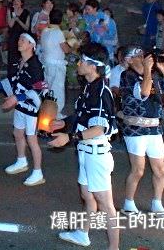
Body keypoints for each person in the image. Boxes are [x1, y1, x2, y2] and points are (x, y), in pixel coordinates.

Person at [48, 45, 120, 250]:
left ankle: (114, 248)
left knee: (106, 205)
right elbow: (82, 116)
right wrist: (64, 123)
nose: (78, 64)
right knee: (88, 196)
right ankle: (83, 234)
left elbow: (98, 127)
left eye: (81, 60)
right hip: (86, 152)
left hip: (96, 153)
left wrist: (69, 136)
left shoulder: (100, 91)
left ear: (92, 65)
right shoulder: (89, 85)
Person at [119, 44, 164, 216]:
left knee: (160, 169)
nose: (141, 56)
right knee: (138, 169)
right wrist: (147, 70)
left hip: (154, 127)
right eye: (136, 54)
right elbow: (144, 92)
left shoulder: (155, 74)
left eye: (142, 53)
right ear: (128, 60)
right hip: (135, 128)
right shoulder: (127, 76)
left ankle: (157, 203)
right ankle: (128, 203)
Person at [0, 33, 46, 187]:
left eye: (23, 40)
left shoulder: (35, 65)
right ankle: (21, 161)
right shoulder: (20, 62)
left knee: (32, 139)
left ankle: (38, 172)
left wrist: (16, 98)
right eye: (19, 39)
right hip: (20, 104)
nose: (19, 41)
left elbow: (39, 89)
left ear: (31, 45)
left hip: (30, 107)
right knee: (17, 133)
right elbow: (13, 80)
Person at [40, 9, 71, 118]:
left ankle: (46, 110)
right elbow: (66, 49)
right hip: (56, 65)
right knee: (57, 90)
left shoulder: (45, 31)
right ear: (61, 20)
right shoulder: (58, 32)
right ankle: (56, 113)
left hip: (46, 63)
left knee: (47, 89)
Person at [6, 0, 31, 77]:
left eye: (18, 1)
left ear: (21, 3)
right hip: (13, 38)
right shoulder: (10, 11)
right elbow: (10, 25)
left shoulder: (26, 12)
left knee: (22, 58)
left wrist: (18, 20)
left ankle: (21, 75)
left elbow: (26, 28)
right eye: (14, 1)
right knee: (12, 58)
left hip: (23, 39)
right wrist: (14, 15)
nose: (16, 2)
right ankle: (11, 76)